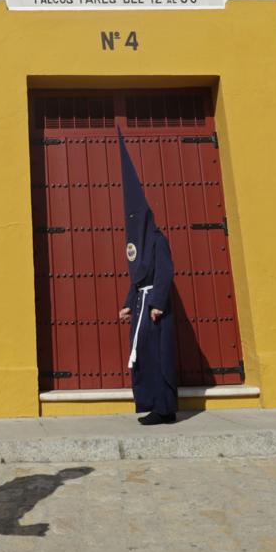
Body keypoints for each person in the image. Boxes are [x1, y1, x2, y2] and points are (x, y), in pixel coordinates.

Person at [116, 130, 179, 425]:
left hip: (155, 309)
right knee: (142, 355)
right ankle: (153, 404)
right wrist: (130, 303)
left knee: (158, 357)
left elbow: (164, 273)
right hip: (142, 305)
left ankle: (164, 408)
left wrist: (157, 303)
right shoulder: (140, 244)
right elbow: (136, 278)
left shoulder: (157, 240)